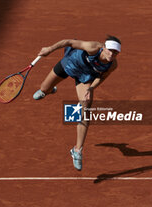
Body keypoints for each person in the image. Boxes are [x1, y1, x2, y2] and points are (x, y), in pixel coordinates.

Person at [33, 35, 121, 171]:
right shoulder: (92, 47)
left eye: (115, 52)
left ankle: (77, 150)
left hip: (84, 78)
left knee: (86, 109)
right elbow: (68, 42)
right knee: (44, 88)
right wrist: (49, 49)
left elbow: (101, 77)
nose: (112, 54)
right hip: (69, 64)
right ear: (103, 47)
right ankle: (49, 91)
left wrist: (91, 88)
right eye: (110, 50)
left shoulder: (112, 65)